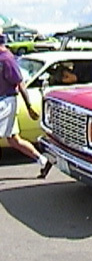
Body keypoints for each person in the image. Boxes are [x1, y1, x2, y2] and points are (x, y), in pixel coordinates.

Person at [0, 34, 52, 178]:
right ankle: (43, 160)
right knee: (13, 139)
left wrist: (28, 106)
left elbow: (20, 83)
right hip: (3, 101)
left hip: (6, 102)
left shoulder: (7, 59)